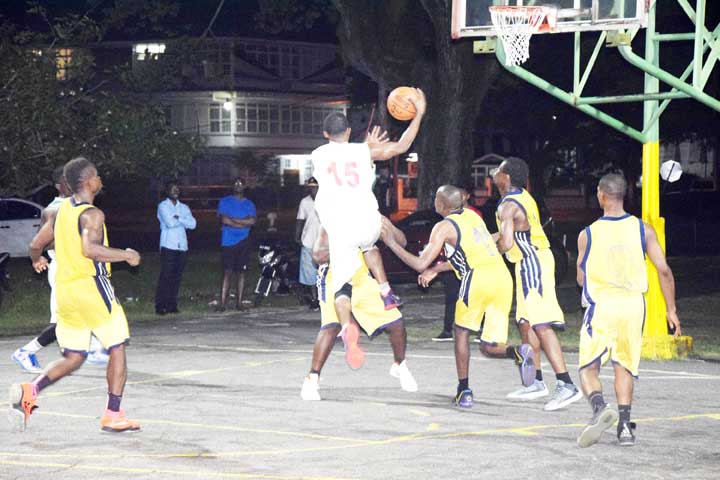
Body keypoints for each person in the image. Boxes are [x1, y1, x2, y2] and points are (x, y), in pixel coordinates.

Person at [9, 156, 142, 433]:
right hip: (92, 287)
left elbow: (36, 244)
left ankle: (31, 390)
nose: (100, 180)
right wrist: (126, 255)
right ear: (87, 181)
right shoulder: (92, 214)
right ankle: (113, 413)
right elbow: (90, 250)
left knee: (74, 356)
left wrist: (37, 260)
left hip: (66, 291)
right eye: (97, 176)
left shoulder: (61, 212)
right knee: (117, 346)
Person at [383, 185, 534, 408]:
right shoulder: (473, 216)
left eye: (436, 197)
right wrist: (436, 269)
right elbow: (468, 255)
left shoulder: (443, 227)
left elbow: (419, 263)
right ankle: (519, 351)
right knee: (489, 346)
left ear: (441, 204)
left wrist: (391, 244)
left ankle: (464, 390)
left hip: (477, 280)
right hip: (502, 279)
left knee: (461, 332)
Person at [575, 173, 681, 448]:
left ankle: (599, 407)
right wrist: (671, 309)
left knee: (588, 366)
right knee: (624, 364)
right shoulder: (643, 230)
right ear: (624, 195)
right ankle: (624, 428)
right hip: (634, 305)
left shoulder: (587, 234)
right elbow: (664, 271)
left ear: (601, 195)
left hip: (603, 304)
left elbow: (580, 278)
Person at [311, 93, 426, 316]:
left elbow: (341, 156)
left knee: (342, 288)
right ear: (348, 132)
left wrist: (365, 147)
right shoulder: (363, 152)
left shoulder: (317, 155)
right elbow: (402, 146)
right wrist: (419, 113)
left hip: (340, 227)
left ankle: (345, 327)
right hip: (367, 222)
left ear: (325, 134)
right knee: (370, 245)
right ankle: (386, 291)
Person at [492, 157, 583, 409]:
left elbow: (507, 243)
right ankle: (536, 382)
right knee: (525, 323)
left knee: (542, 324)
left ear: (506, 177)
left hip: (533, 262)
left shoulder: (508, 205)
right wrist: (485, 240)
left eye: (497, 171)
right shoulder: (522, 197)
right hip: (527, 263)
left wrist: (489, 253)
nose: (493, 174)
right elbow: (512, 233)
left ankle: (566, 384)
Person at [301, 224, 417, 400]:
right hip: (333, 274)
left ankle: (399, 365)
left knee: (396, 323)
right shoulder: (331, 220)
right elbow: (318, 256)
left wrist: (387, 232)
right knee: (331, 326)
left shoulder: (368, 215)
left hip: (361, 276)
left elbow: (403, 240)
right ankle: (312, 379)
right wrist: (345, 246)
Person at [12, 167, 108, 373]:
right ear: (59, 186)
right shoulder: (55, 209)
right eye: (68, 180)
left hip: (77, 269)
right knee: (62, 321)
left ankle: (90, 347)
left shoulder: (78, 205)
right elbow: (40, 242)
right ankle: (27, 351)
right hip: (62, 269)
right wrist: (38, 258)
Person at [155, 182, 196, 315]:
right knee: (166, 276)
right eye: (172, 189)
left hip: (182, 246)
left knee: (177, 277)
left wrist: (179, 217)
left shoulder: (184, 207)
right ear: (167, 191)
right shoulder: (163, 206)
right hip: (169, 245)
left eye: (177, 189)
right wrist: (183, 220)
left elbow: (193, 224)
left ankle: (172, 305)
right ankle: (160, 306)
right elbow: (170, 222)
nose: (175, 191)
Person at [216, 178, 256, 311]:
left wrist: (233, 221)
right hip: (228, 241)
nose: (238, 186)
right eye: (236, 183)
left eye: (241, 184)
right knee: (227, 272)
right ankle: (222, 303)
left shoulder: (249, 204)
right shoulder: (225, 201)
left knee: (241, 272)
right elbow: (224, 220)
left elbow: (252, 221)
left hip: (244, 241)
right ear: (232, 186)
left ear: (245, 187)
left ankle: (239, 303)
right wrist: (242, 222)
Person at [295, 176, 321, 310]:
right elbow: (300, 220)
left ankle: (324, 298)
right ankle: (314, 298)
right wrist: (297, 236)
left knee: (325, 271)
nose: (313, 190)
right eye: (310, 188)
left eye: (315, 187)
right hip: (308, 241)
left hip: (324, 243)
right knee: (310, 272)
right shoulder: (304, 202)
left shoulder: (327, 200)